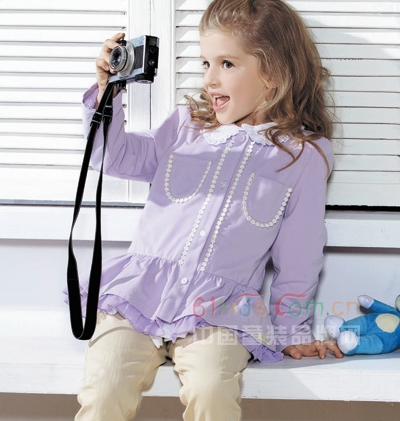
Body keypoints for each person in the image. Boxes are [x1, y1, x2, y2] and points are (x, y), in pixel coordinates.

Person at [71, 0, 343, 420]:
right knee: (105, 384)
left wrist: (292, 331)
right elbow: (115, 156)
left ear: (273, 72)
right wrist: (108, 93)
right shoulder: (186, 126)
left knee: (212, 388)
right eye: (205, 63)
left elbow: (299, 258)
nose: (210, 78)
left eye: (227, 64)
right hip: (140, 299)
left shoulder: (301, 155)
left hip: (219, 312)